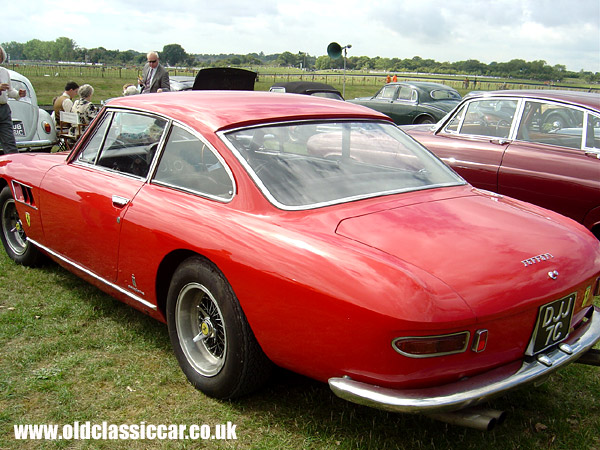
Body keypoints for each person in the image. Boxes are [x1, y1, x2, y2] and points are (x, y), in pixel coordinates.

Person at [0, 45, 26, 155]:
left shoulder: (4, 72)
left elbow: (9, 91)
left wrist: (18, 94)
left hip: (3, 109)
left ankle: (13, 167)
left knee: (9, 142)